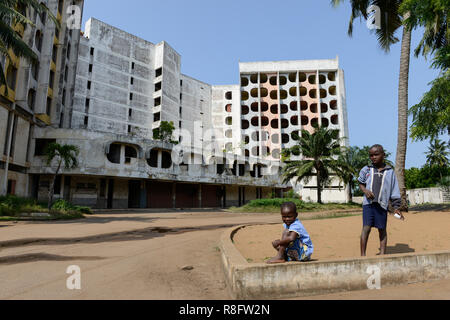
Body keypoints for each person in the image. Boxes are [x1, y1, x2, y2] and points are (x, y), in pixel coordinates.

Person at [358, 144, 405, 256]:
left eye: (376, 154)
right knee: (366, 228)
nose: (373, 157)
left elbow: (394, 191)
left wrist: (396, 208)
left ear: (383, 155)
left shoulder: (390, 172)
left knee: (382, 230)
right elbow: (361, 183)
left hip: (382, 205)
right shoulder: (367, 169)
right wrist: (365, 191)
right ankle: (363, 255)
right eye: (371, 155)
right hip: (368, 204)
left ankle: (383, 255)